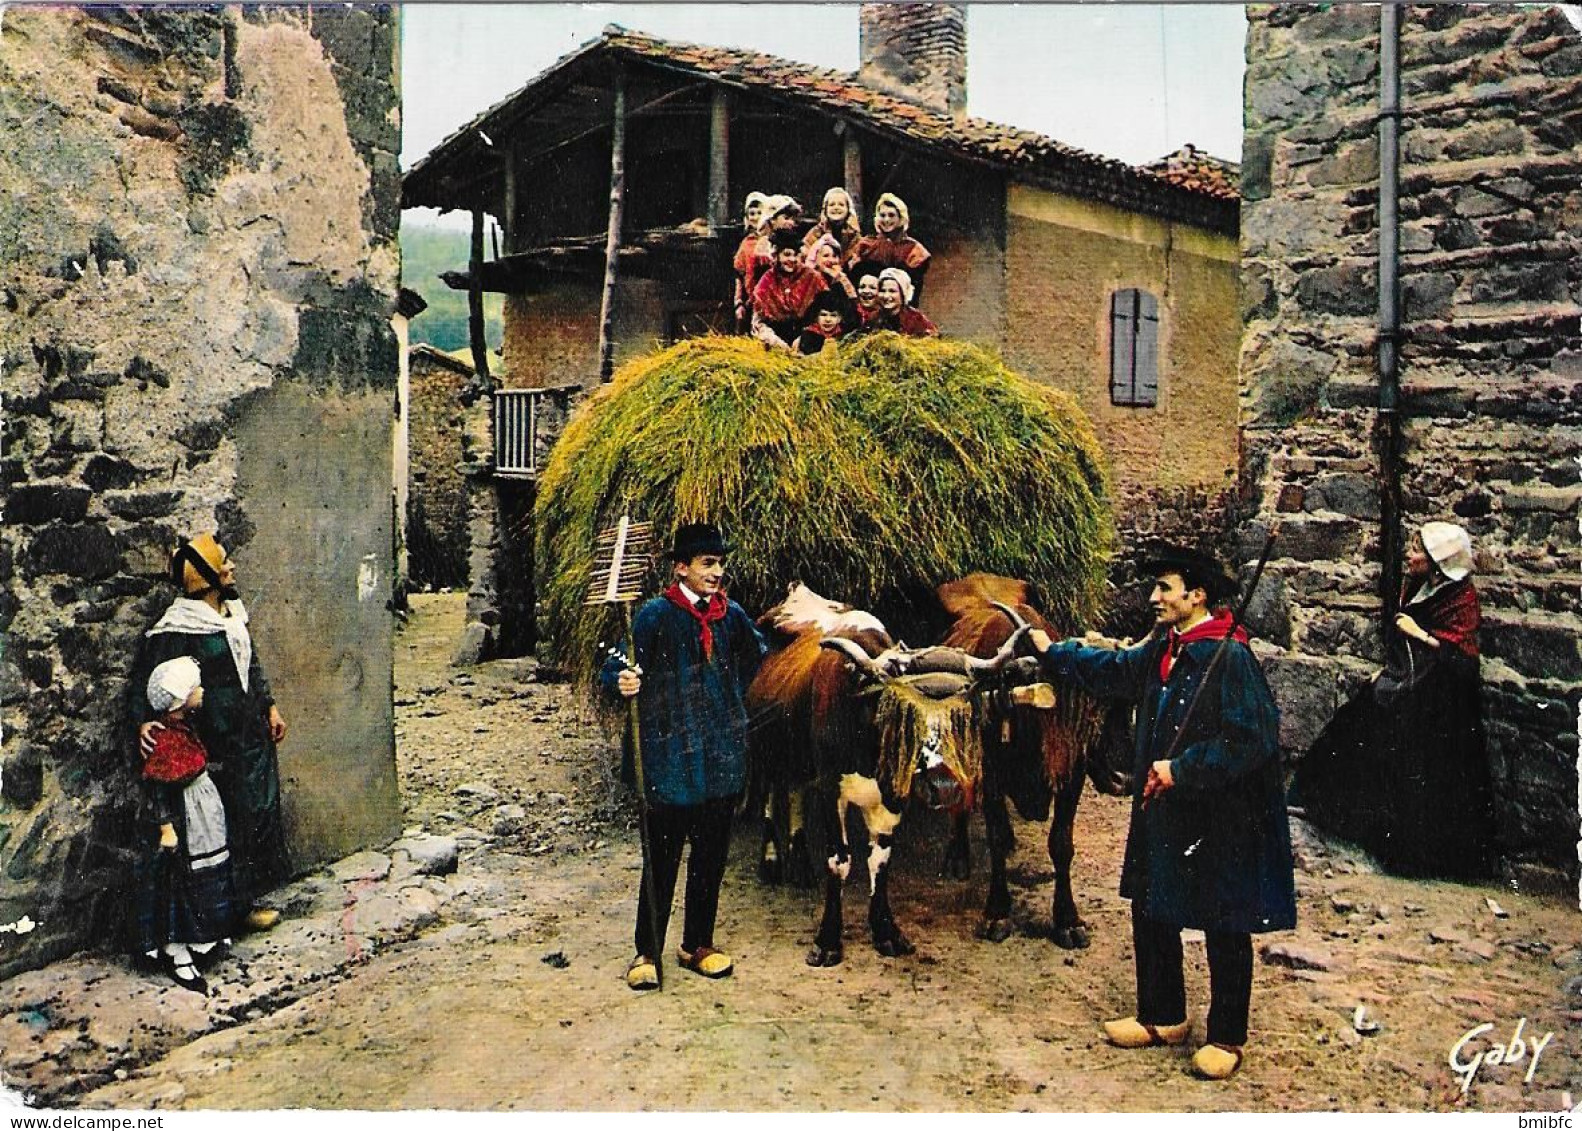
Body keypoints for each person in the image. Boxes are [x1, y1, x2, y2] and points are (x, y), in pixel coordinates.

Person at [1027, 546, 1295, 1081]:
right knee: (1152, 904)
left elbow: (1253, 740)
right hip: (1166, 810)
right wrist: (1055, 652)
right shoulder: (1164, 649)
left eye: (1165, 589)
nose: (1154, 598)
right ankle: (1163, 1016)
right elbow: (1113, 670)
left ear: (1196, 597)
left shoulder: (1230, 656)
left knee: (1224, 919)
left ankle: (1226, 1036)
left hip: (1220, 814)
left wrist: (1184, 768)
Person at [601, 523, 768, 990]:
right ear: (681, 568)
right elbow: (614, 664)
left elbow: (758, 655)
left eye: (720, 564)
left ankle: (697, 944)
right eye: (707, 564)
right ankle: (646, 951)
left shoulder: (730, 616)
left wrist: (733, 698)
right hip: (668, 757)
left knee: (711, 856)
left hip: (718, 757)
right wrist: (622, 681)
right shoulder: (655, 616)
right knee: (662, 855)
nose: (717, 573)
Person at [1290, 521, 1495, 880]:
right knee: (1354, 724)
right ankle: (1323, 809)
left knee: (1421, 768)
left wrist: (1423, 635)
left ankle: (1420, 859)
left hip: (1441, 698)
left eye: (1417, 550)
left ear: (1435, 561)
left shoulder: (1460, 598)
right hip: (1407, 681)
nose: (1410, 555)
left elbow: (1462, 659)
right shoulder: (1417, 586)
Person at [136, 534, 291, 933]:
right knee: (229, 822)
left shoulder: (230, 613)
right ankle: (231, 911)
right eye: (224, 563)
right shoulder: (178, 627)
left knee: (258, 812)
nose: (232, 568)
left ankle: (248, 898)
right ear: (206, 576)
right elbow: (152, 679)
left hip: (249, 734)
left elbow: (250, 664)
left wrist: (268, 705)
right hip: (215, 740)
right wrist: (143, 719)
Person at [128, 657, 237, 994]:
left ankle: (205, 934)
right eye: (195, 687)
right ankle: (177, 950)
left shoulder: (184, 727)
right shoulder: (164, 740)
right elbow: (158, 787)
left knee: (206, 873)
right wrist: (166, 828)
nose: (202, 691)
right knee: (180, 880)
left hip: (203, 815)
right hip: (185, 818)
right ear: (179, 699)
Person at [751, 228, 828, 350]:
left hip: (808, 339)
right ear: (776, 256)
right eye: (787, 254)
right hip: (776, 341)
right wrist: (773, 340)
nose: (792, 259)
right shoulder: (767, 280)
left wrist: (806, 336)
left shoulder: (812, 277)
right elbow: (758, 322)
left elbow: (826, 311)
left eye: (795, 255)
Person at [848, 192, 930, 303]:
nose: (886, 220)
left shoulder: (913, 250)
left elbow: (914, 290)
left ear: (901, 218)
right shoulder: (866, 245)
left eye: (891, 215)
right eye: (882, 215)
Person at [745, 195, 804, 305]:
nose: (790, 222)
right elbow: (753, 275)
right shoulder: (764, 244)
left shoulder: (796, 243)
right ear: (772, 219)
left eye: (792, 219)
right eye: (786, 218)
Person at [850, 268, 937, 338]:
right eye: (883, 291)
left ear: (902, 294)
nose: (886, 296)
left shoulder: (917, 320)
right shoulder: (873, 320)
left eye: (892, 291)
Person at [731, 190, 769, 332]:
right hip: (749, 299)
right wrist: (738, 302)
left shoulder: (771, 239)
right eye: (752, 214)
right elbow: (739, 275)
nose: (756, 217)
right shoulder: (745, 243)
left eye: (760, 213)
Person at [801, 186, 862, 260]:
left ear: (848, 210)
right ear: (825, 210)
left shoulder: (854, 236)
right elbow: (804, 254)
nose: (836, 207)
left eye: (841, 205)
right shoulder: (816, 232)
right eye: (832, 204)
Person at [793, 289, 850, 356]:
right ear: (816, 317)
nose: (828, 320)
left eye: (833, 315)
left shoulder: (845, 337)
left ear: (840, 318)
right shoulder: (808, 336)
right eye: (823, 315)